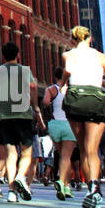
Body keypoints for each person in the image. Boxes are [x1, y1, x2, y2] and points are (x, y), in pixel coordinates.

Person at [58, 26, 105, 208]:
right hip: (95, 100)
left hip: (75, 99)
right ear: (89, 38)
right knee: (93, 149)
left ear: (72, 39)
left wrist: (62, 84)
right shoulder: (101, 57)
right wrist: (99, 80)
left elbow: (67, 71)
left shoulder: (68, 55)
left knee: (82, 148)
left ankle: (88, 190)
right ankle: (94, 187)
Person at [0, 42, 43, 204]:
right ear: (17, 55)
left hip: (4, 116)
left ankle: (12, 192)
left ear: (2, 56)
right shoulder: (25, 71)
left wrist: (1, 100)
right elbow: (33, 87)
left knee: (11, 154)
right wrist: (35, 106)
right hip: (23, 115)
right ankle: (20, 177)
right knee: (26, 153)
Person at [42, 67, 76, 199]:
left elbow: (45, 102)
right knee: (66, 157)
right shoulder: (71, 90)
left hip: (55, 124)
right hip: (68, 124)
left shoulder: (51, 89)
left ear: (55, 76)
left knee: (62, 155)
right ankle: (63, 182)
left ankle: (67, 186)